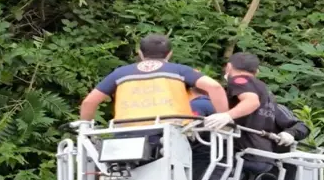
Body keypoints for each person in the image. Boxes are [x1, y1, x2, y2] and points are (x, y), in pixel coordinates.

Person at [79, 34, 228, 124]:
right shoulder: (179, 70)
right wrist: (223, 119)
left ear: (140, 53)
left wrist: (85, 126)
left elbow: (89, 102)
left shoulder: (120, 74)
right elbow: (214, 87)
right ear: (169, 54)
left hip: (126, 133)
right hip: (171, 132)